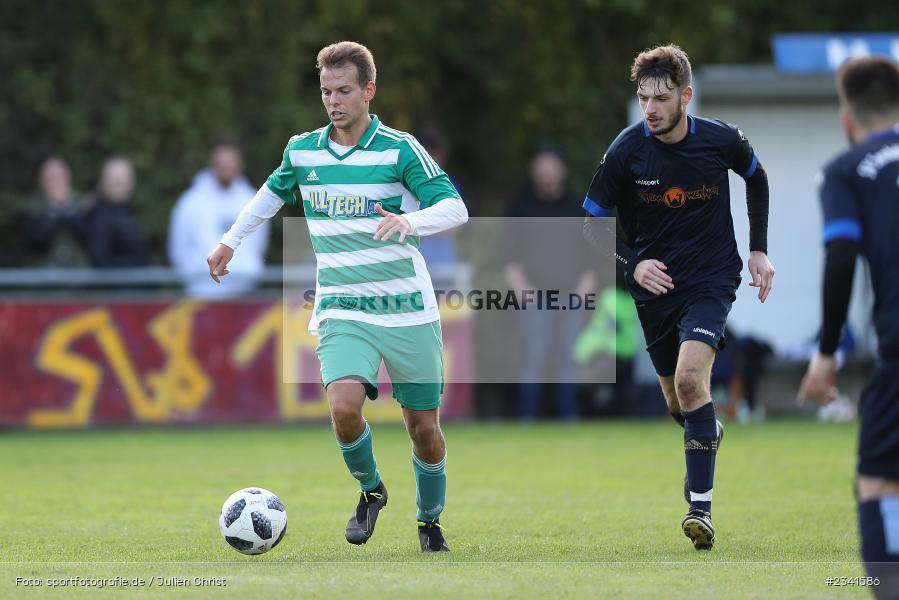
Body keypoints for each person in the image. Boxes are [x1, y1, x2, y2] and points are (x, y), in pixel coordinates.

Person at [205, 42, 468, 552]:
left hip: (406, 307)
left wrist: (409, 220)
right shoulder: (303, 150)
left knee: (423, 429)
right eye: (326, 91)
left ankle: (429, 521)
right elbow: (269, 196)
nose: (333, 101)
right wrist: (229, 241)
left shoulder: (399, 148)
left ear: (369, 90)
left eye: (344, 90)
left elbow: (455, 208)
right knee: (343, 407)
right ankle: (371, 490)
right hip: (343, 306)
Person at [582, 44, 775, 550]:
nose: (651, 108)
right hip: (654, 291)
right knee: (679, 400)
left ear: (685, 96)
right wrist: (632, 264)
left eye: (662, 98)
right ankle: (706, 431)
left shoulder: (721, 140)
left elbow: (757, 178)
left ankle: (701, 509)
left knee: (692, 381)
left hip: (712, 280)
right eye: (644, 97)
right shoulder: (627, 150)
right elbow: (590, 222)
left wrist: (758, 250)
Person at [799, 56, 899, 596]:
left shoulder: (847, 169)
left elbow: (840, 256)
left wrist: (827, 351)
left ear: (847, 118)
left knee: (880, 481)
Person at [505, 146, 595, 420]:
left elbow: (590, 257)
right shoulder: (520, 207)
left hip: (570, 296)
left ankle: (569, 418)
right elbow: (509, 256)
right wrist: (521, 289)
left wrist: (582, 292)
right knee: (533, 357)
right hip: (535, 297)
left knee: (568, 359)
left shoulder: (577, 207)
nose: (546, 171)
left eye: (551, 165)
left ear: (562, 170)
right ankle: (528, 419)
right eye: (541, 165)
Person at [168, 137, 268, 298]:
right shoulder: (191, 202)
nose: (226, 166)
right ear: (212, 164)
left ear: (240, 164)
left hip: (245, 297)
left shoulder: (253, 200)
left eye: (231, 160)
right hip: (201, 295)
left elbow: (257, 247)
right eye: (222, 161)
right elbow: (178, 250)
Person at [21, 156, 89, 267]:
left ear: (68, 177)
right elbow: (35, 243)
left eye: (59, 177)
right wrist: (53, 212)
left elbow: (89, 238)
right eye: (51, 178)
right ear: (42, 180)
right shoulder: (31, 207)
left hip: (79, 274)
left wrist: (68, 210)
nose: (56, 182)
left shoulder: (84, 204)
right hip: (43, 275)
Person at [84, 156, 149, 268]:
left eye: (124, 177)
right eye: (114, 178)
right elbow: (99, 260)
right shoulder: (100, 215)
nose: (120, 181)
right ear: (104, 181)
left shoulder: (126, 210)